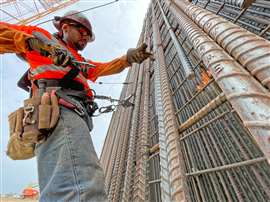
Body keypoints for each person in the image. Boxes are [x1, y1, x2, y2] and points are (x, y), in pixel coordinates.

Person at [0, 11, 151, 202]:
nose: (86, 38)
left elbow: (100, 68)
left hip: (69, 114)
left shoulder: (77, 60)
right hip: (61, 111)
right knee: (80, 184)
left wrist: (128, 59)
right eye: (82, 32)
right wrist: (33, 43)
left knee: (64, 183)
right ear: (65, 27)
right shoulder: (42, 37)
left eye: (88, 36)